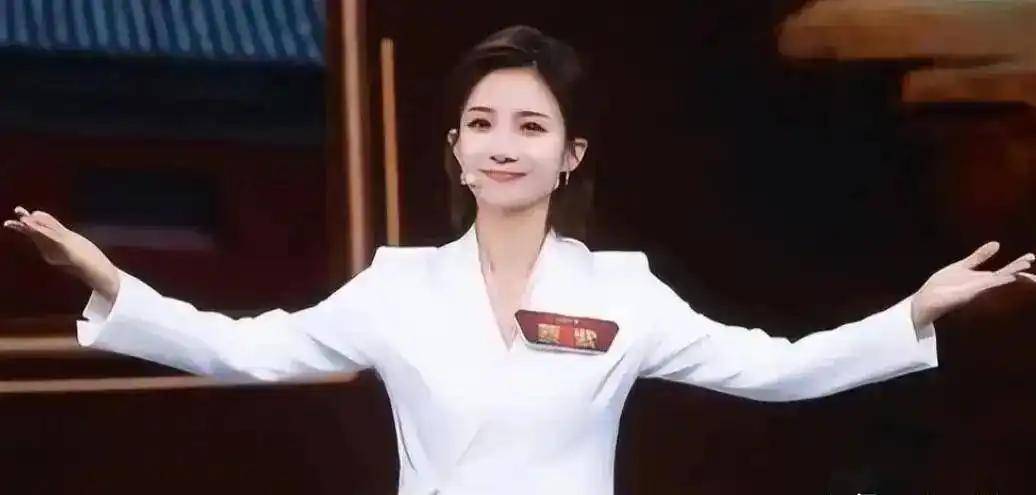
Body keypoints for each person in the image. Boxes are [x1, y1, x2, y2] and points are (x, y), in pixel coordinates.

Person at [4, 25, 1034, 495]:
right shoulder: (397, 284)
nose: (502, 144)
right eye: (481, 123)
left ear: (569, 154)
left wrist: (917, 310)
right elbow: (246, 350)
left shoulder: (622, 289)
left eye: (530, 125)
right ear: (455, 148)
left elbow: (779, 368)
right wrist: (114, 284)